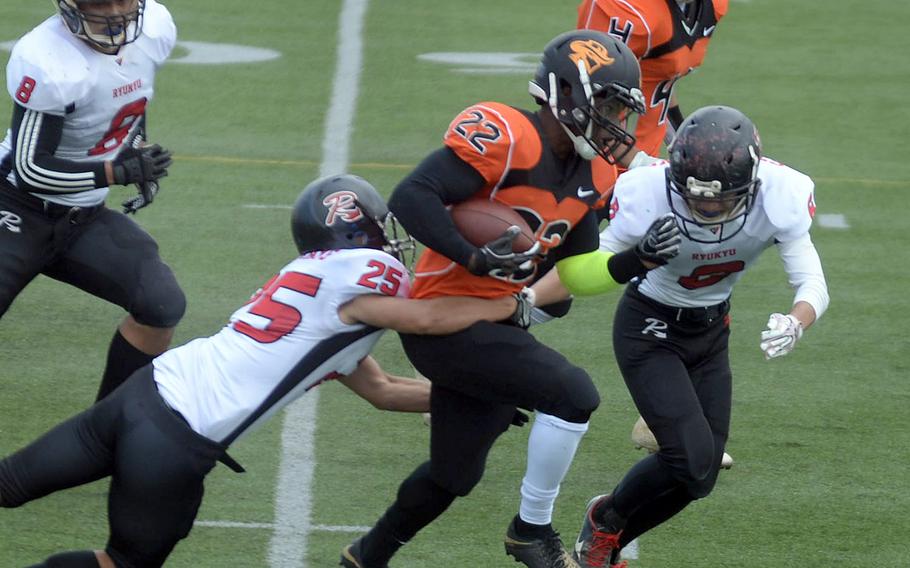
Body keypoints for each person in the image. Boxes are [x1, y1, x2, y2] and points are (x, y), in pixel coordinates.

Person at [0, 174, 534, 568]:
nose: (393, 242)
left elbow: (383, 389)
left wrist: (461, 397)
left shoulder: (313, 277)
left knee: (10, 482)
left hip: (145, 391)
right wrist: (507, 306)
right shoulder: (368, 278)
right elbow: (428, 317)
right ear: (358, 231)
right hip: (177, 439)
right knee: (125, 563)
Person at [342, 30, 683, 568]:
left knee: (453, 475)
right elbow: (413, 195)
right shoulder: (509, 136)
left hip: (497, 322)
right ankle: (531, 532)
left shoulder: (593, 171)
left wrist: (634, 260)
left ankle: (366, 555)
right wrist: (471, 256)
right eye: (611, 106)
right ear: (566, 94)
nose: (618, 124)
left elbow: (575, 273)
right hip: (443, 317)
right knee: (573, 393)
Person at [570, 105, 829, 568]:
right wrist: (630, 259)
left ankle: (607, 524)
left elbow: (812, 282)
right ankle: (605, 529)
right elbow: (585, 270)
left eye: (722, 199)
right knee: (688, 458)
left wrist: (797, 320)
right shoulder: (645, 192)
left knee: (701, 477)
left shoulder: (781, 194)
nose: (709, 208)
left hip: (711, 330)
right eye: (697, 198)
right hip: (649, 328)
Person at [0, 0, 182, 402]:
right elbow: (30, 169)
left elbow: (126, 106)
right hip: (15, 206)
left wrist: (137, 149)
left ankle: (106, 429)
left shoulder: (153, 27)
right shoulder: (48, 59)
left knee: (161, 304)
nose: (116, 12)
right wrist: (114, 172)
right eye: (101, 3)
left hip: (81, 216)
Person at [577, 0, 728, 173]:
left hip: (640, 165)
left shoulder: (711, 6)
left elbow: (659, 77)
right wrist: (643, 164)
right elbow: (586, 102)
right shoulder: (629, 10)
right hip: (598, 168)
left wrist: (684, 144)